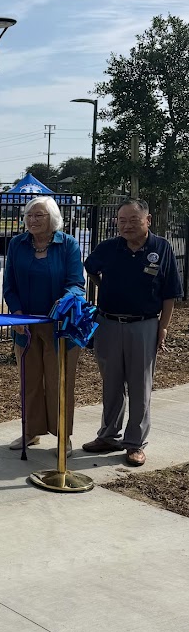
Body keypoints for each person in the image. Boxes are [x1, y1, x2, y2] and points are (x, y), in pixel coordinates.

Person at [82, 199, 182, 466]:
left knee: (140, 386)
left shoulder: (161, 248)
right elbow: (91, 268)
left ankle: (135, 443)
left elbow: (170, 294)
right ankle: (108, 436)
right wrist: (105, 286)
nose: (126, 226)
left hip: (144, 325)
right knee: (111, 384)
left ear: (147, 220)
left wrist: (163, 328)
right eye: (121, 221)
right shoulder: (109, 248)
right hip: (108, 323)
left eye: (133, 221)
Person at [3, 197, 85, 453]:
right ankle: (30, 432)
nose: (32, 220)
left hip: (60, 327)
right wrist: (16, 313)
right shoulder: (17, 244)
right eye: (29, 215)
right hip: (25, 326)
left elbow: (76, 282)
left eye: (39, 215)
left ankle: (63, 437)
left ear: (53, 219)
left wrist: (66, 298)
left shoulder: (68, 244)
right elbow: (9, 286)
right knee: (29, 380)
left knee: (60, 381)